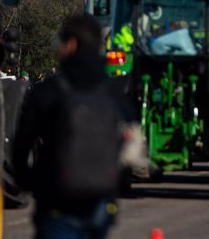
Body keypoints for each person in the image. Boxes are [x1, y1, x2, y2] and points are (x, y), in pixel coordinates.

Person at [13, 14, 132, 239]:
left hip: (57, 205)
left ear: (71, 45)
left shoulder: (49, 90)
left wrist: (30, 183)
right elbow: (130, 143)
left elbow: (22, 145)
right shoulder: (114, 92)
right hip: (101, 205)